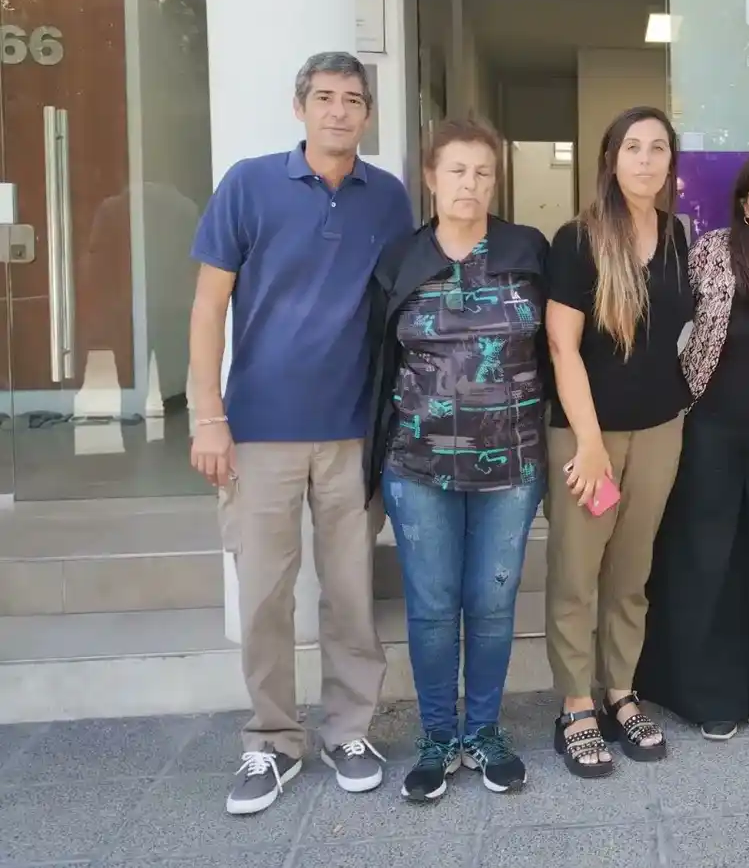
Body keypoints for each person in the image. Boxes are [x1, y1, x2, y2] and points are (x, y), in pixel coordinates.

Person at [188, 52, 414, 816]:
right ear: (300, 106)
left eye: (354, 99)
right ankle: (272, 741)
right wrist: (207, 414)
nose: (339, 111)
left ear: (368, 113)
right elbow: (207, 306)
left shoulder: (387, 198)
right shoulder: (249, 184)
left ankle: (350, 727)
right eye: (325, 97)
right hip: (258, 430)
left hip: (353, 430)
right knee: (264, 595)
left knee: (351, 594)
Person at [362, 118, 549, 803]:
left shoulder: (527, 249)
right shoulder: (399, 260)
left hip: (513, 465)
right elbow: (377, 360)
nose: (469, 184)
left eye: (483, 172)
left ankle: (486, 733)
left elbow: (557, 351)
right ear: (431, 178)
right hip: (419, 468)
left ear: (495, 181)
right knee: (434, 607)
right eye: (456, 171)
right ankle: (438, 737)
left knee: (493, 604)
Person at [636, 149, 749, 741]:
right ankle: (707, 693)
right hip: (709, 431)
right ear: (744, 204)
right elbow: (662, 317)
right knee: (705, 560)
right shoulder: (712, 253)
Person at [544, 106, 694, 777]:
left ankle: (620, 691)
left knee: (632, 573)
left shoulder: (678, 237)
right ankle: (577, 704)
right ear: (610, 159)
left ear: (669, 162)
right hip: (587, 438)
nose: (645, 158)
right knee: (578, 573)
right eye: (632, 146)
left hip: (661, 427)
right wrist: (590, 440)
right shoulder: (577, 240)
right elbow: (561, 345)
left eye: (657, 147)